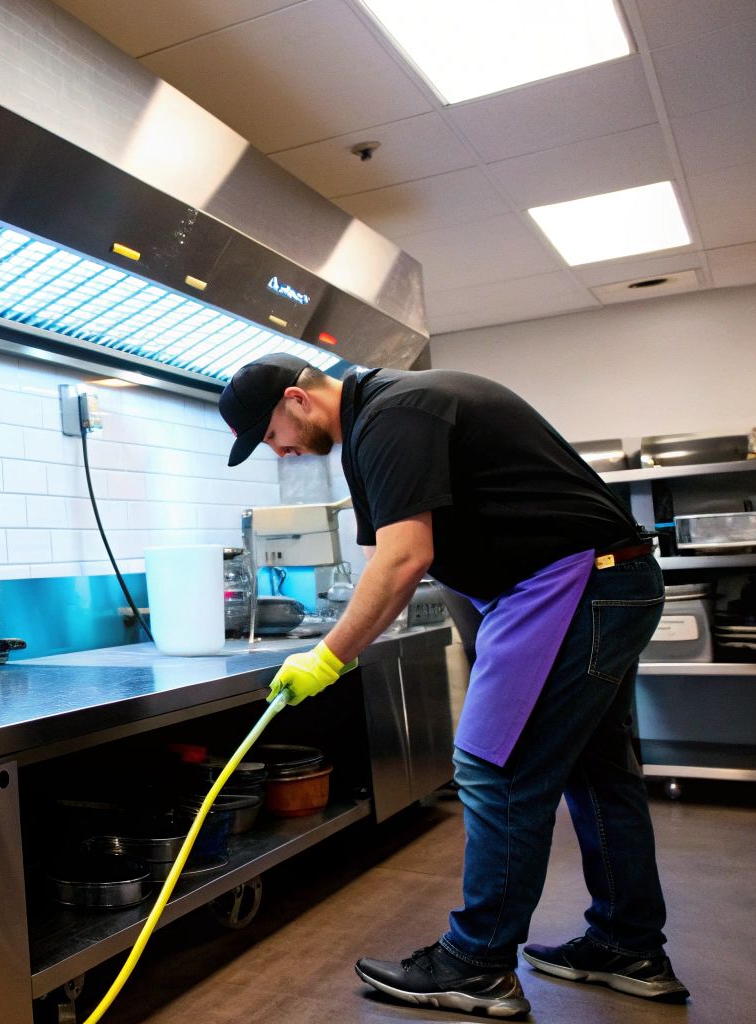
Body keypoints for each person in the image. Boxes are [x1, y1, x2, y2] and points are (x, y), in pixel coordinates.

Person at [219, 353, 687, 1018]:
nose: (281, 451)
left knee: (496, 767)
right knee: (596, 769)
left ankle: (477, 964)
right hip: (601, 582)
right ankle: (628, 944)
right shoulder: (381, 420)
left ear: (297, 400)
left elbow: (405, 558)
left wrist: (326, 657)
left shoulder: (391, 415)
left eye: (272, 435)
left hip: (573, 586)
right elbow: (420, 560)